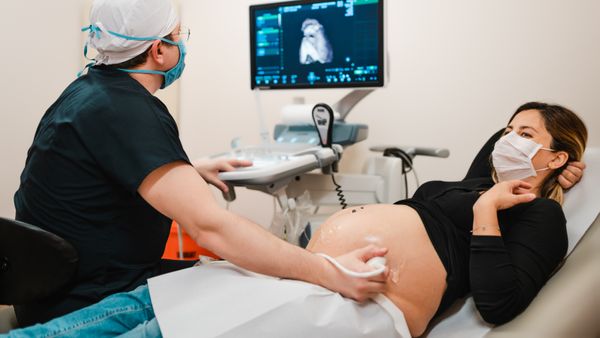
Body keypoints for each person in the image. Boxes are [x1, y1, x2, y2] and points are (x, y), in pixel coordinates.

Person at [3, 102, 587, 338]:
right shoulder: (469, 184)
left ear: (558, 156)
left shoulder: (537, 218)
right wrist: (506, 173)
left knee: (164, 330)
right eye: (508, 128)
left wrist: (491, 211)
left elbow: (501, 302)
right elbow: (493, 155)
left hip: (366, 301)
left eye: (526, 134)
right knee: (146, 301)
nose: (509, 139)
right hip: (322, 274)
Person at [9, 0, 388, 328]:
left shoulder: (86, 92)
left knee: (232, 273)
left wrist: (190, 169)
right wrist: (328, 270)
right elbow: (213, 229)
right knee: (251, 281)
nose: (181, 43)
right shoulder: (130, 110)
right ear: (159, 50)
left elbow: (111, 171)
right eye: (178, 34)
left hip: (45, 292)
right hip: (89, 302)